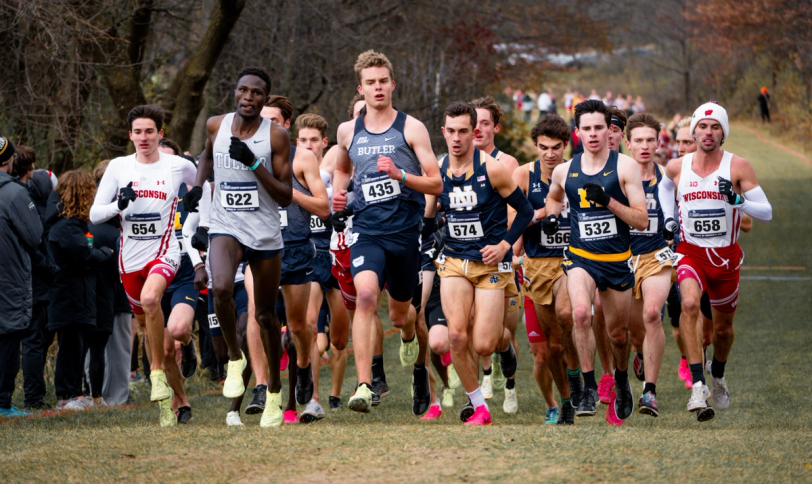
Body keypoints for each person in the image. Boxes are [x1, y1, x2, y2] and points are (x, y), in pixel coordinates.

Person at [331, 50, 443, 413]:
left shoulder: (411, 128)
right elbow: (344, 170)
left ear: (392, 85)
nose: (377, 88)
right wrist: (339, 194)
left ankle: (409, 335)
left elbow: (436, 183)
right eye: (370, 83)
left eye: (383, 82)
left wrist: (401, 175)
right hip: (367, 230)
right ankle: (364, 385)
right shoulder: (348, 130)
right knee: (365, 297)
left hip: (405, 234)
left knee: (399, 316)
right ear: (360, 88)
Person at [184, 68, 294, 428]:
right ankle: (235, 358)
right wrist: (199, 187)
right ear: (235, 92)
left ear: (266, 98)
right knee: (221, 289)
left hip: (263, 233)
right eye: (242, 90)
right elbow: (206, 157)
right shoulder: (217, 124)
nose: (248, 97)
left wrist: (253, 163)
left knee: (264, 316)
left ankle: (275, 392)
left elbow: (284, 195)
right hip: (226, 225)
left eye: (256, 93)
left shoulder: (275, 137)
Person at [658, 102, 772, 421]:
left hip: (725, 257)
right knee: (690, 305)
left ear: (723, 133)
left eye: (715, 127)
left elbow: (766, 213)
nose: (708, 133)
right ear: (693, 131)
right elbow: (665, 188)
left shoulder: (738, 167)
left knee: (723, 331)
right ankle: (698, 386)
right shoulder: (677, 166)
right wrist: (669, 220)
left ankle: (717, 373)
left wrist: (738, 200)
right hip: (690, 252)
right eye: (703, 127)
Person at [91, 104, 198, 427]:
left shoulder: (177, 165)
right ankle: (178, 402)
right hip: (129, 261)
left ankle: (153, 374)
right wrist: (117, 205)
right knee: (157, 341)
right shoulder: (119, 168)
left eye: (149, 131)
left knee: (152, 300)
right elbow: (95, 214)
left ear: (160, 133)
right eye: (137, 132)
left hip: (164, 253)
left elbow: (204, 185)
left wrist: (196, 206)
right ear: (130, 135)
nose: (143, 137)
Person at [543, 100, 649, 421]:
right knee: (579, 314)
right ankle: (588, 387)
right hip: (581, 258)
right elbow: (553, 196)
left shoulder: (624, 167)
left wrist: (608, 202)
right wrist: (551, 216)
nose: (593, 134)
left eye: (599, 128)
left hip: (616, 260)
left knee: (617, 335)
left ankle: (620, 378)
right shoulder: (565, 170)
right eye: (586, 128)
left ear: (609, 130)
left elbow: (641, 221)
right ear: (577, 132)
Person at [433, 101, 533, 425]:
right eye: (452, 131)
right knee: (458, 337)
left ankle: (506, 346)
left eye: (465, 131)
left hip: (490, 265)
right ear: (444, 132)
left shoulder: (493, 168)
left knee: (485, 343)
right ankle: (479, 406)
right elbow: (427, 210)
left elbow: (526, 212)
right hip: (454, 262)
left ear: (474, 131)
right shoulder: (438, 169)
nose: (458, 137)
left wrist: (504, 245)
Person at [263, 99, 331, 423]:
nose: (266, 127)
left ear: (286, 124)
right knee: (259, 317)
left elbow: (323, 207)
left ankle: (303, 364)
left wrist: (287, 190)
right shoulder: (248, 159)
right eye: (261, 120)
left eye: (273, 120)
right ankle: (265, 389)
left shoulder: (302, 158)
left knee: (300, 325)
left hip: (296, 248)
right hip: (262, 247)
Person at [512, 114, 581, 425]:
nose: (550, 154)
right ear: (535, 146)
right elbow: (513, 227)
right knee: (552, 345)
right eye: (543, 147)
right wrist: (543, 212)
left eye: (556, 147)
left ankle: (578, 376)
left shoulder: (579, 172)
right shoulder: (523, 176)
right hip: (537, 264)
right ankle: (565, 400)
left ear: (565, 145)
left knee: (569, 316)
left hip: (573, 259)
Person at [296, 113, 351, 418]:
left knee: (339, 339)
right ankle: (313, 399)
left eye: (313, 140)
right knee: (308, 324)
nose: (308, 145)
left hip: (337, 255)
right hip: (309, 255)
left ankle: (336, 391)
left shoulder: (335, 175)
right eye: (302, 140)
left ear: (324, 143)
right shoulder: (290, 174)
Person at [471, 95, 521, 412]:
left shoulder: (507, 163)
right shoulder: (457, 160)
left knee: (505, 330)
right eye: (473, 123)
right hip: (467, 255)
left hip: (501, 255)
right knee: (477, 322)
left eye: (484, 123)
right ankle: (486, 373)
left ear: (495, 128)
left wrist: (510, 248)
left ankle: (511, 385)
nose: (477, 129)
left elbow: (516, 212)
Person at [623, 113, 675, 417]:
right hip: (622, 258)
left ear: (658, 143)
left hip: (656, 255)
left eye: (650, 140)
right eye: (638, 140)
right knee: (634, 331)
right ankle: (639, 352)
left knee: (653, 314)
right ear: (628, 143)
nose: (644, 146)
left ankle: (649, 393)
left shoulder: (668, 178)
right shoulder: (616, 176)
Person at [49, 170, 114, 410]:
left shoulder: (76, 224)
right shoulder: (65, 226)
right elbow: (83, 254)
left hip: (79, 296)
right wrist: (105, 253)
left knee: (78, 347)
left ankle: (76, 393)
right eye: (89, 190)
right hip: (68, 297)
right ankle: (66, 395)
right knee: (69, 348)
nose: (93, 194)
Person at [153, 138, 200, 423]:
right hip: (155, 274)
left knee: (178, 329)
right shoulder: (144, 192)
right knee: (167, 350)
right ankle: (181, 402)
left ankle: (189, 340)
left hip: (183, 272)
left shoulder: (192, 192)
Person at [0, 136, 44, 418]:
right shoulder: (15, 194)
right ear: (10, 160)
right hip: (8, 279)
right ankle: (2, 402)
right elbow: (35, 236)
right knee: (7, 338)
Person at [13, 146, 59, 411]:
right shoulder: (23, 194)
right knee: (33, 338)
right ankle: (33, 396)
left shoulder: (28, 192)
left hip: (36, 277)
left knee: (41, 335)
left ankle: (35, 392)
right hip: (33, 278)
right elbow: (32, 242)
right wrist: (49, 267)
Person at [89, 161, 133, 406]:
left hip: (99, 292)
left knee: (98, 347)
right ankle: (115, 395)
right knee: (116, 346)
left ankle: (101, 393)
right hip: (114, 291)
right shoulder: (104, 218)